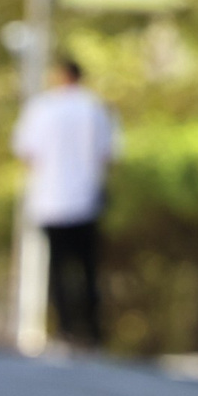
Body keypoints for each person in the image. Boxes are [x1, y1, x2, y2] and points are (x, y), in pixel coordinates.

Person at [11, 55, 118, 347]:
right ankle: (93, 331)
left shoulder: (42, 108)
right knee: (88, 267)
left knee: (58, 268)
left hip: (51, 200)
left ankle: (66, 329)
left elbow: (26, 152)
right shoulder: (95, 108)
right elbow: (109, 154)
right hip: (86, 198)